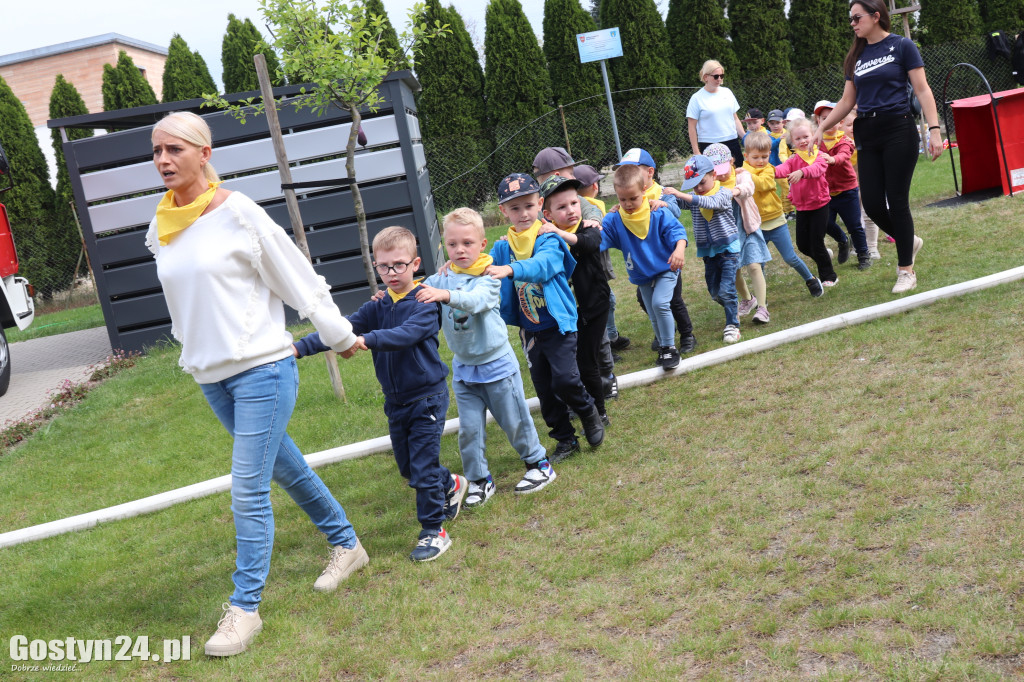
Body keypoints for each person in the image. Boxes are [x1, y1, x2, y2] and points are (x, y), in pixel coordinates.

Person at [147, 111, 368, 657]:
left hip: (263, 370)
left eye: (175, 149)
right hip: (211, 377)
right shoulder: (161, 226)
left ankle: (244, 609)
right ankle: (348, 544)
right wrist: (192, 350)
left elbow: (297, 278)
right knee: (284, 468)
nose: (163, 161)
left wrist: (339, 334)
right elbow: (184, 303)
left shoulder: (239, 213)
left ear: (205, 153)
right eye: (156, 152)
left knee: (247, 489)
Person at [294, 226, 466, 564]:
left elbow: (407, 334)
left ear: (415, 263)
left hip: (427, 399)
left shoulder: (425, 301)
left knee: (422, 468)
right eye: (384, 266)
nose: (391, 273)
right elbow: (342, 328)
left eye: (399, 265)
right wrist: (298, 348)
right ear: (375, 266)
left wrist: (367, 340)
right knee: (408, 469)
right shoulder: (378, 305)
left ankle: (434, 531)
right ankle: (451, 483)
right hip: (396, 402)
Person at [415, 208, 550, 504]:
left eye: (467, 243)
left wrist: (446, 296)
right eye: (452, 245)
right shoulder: (443, 278)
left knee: (514, 421)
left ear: (482, 244)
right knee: (470, 431)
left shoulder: (490, 277)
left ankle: (539, 464)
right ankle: (478, 480)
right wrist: (392, 294)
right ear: (444, 247)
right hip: (464, 369)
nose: (459, 250)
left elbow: (476, 302)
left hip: (497, 366)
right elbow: (418, 291)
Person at [814, 0, 943, 293]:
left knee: (897, 201)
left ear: (876, 16)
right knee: (871, 203)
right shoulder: (855, 57)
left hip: (898, 127)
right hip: (867, 132)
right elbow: (847, 101)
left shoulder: (902, 46)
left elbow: (922, 89)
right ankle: (909, 241)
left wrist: (934, 131)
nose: (853, 23)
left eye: (857, 17)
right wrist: (822, 126)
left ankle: (906, 271)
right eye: (850, 18)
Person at [487, 173, 605, 464]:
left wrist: (512, 271)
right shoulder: (503, 247)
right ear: (504, 212)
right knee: (545, 389)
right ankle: (565, 439)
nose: (523, 213)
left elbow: (546, 265)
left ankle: (588, 410)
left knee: (566, 378)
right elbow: (481, 265)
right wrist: (453, 269)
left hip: (559, 325)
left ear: (540, 205)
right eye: (515, 208)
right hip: (530, 331)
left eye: (528, 206)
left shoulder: (549, 236)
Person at [532, 149, 619, 401]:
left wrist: (593, 221)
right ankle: (583, 390)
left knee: (599, 340)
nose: (570, 206)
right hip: (568, 298)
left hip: (592, 288)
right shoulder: (544, 208)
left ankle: (608, 377)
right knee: (577, 348)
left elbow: (591, 218)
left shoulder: (577, 205)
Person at [601, 164, 689, 369]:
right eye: (622, 199)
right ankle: (662, 346)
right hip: (642, 273)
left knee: (660, 304)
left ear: (643, 191)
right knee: (652, 312)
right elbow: (599, 239)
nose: (628, 203)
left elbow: (679, 233)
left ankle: (669, 348)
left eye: (633, 198)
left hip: (667, 268)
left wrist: (679, 250)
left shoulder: (657, 211)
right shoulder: (616, 219)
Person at [613, 148, 698, 355]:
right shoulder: (629, 199)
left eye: (633, 169)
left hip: (667, 260)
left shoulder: (662, 193)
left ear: (649, 172)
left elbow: (676, 212)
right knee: (645, 300)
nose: (628, 174)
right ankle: (664, 329)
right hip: (644, 262)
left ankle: (687, 334)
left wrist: (663, 205)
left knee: (673, 300)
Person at [743, 131, 824, 297]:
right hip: (756, 225)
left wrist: (745, 175)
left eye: (764, 157)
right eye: (756, 157)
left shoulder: (768, 170)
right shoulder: (743, 171)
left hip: (776, 221)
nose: (761, 161)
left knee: (790, 257)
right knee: (759, 264)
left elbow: (762, 184)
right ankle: (761, 300)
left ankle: (811, 279)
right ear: (746, 156)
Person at [673, 155, 742, 344]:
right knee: (715, 292)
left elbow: (709, 203)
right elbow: (678, 203)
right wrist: (663, 198)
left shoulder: (724, 193)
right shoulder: (696, 197)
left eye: (701, 183)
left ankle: (732, 325)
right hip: (708, 253)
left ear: (713, 175)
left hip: (728, 250)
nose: (698, 189)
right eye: (694, 186)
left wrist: (682, 195)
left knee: (726, 290)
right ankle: (733, 306)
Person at [703, 143, 774, 325]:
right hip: (728, 234)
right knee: (733, 271)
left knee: (754, 266)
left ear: (732, 161)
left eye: (723, 167)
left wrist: (734, 191)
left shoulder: (742, 175)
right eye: (715, 170)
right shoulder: (712, 185)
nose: (721, 173)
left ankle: (763, 309)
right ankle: (748, 299)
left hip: (747, 228)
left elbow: (748, 188)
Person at [774, 118, 837, 287]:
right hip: (802, 207)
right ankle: (823, 256)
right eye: (798, 138)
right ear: (792, 141)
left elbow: (817, 169)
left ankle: (829, 275)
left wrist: (802, 172)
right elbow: (782, 169)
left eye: (806, 137)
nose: (802, 141)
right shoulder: (793, 159)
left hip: (820, 205)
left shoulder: (819, 155)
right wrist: (767, 171)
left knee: (816, 242)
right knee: (802, 245)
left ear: (814, 135)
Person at [813, 100, 872, 271]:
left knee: (854, 225)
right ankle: (842, 240)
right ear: (818, 121)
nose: (827, 122)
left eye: (832, 118)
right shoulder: (816, 141)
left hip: (847, 191)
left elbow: (844, 156)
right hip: (825, 193)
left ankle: (863, 254)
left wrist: (832, 159)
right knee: (824, 224)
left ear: (839, 122)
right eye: (824, 118)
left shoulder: (845, 140)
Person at [841, 107, 883, 259]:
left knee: (869, 215)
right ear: (841, 126)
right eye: (849, 125)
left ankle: (872, 247)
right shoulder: (840, 146)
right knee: (853, 218)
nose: (853, 128)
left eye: (856, 124)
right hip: (849, 188)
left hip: (867, 184)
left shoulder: (866, 141)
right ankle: (858, 246)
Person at [686, 59, 746, 167]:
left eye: (721, 76)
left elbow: (735, 119)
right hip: (709, 145)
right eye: (716, 76)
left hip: (732, 141)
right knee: (715, 179)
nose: (719, 79)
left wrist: (745, 138)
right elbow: (691, 127)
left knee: (738, 175)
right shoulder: (696, 98)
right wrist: (696, 152)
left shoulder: (727, 92)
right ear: (705, 77)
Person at [766, 109, 795, 218]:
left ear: (783, 122)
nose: (775, 126)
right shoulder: (768, 136)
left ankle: (786, 210)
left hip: (787, 166)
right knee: (786, 187)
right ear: (768, 124)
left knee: (787, 188)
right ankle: (789, 211)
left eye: (778, 123)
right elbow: (769, 146)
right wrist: (779, 140)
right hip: (776, 167)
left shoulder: (787, 134)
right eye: (772, 123)